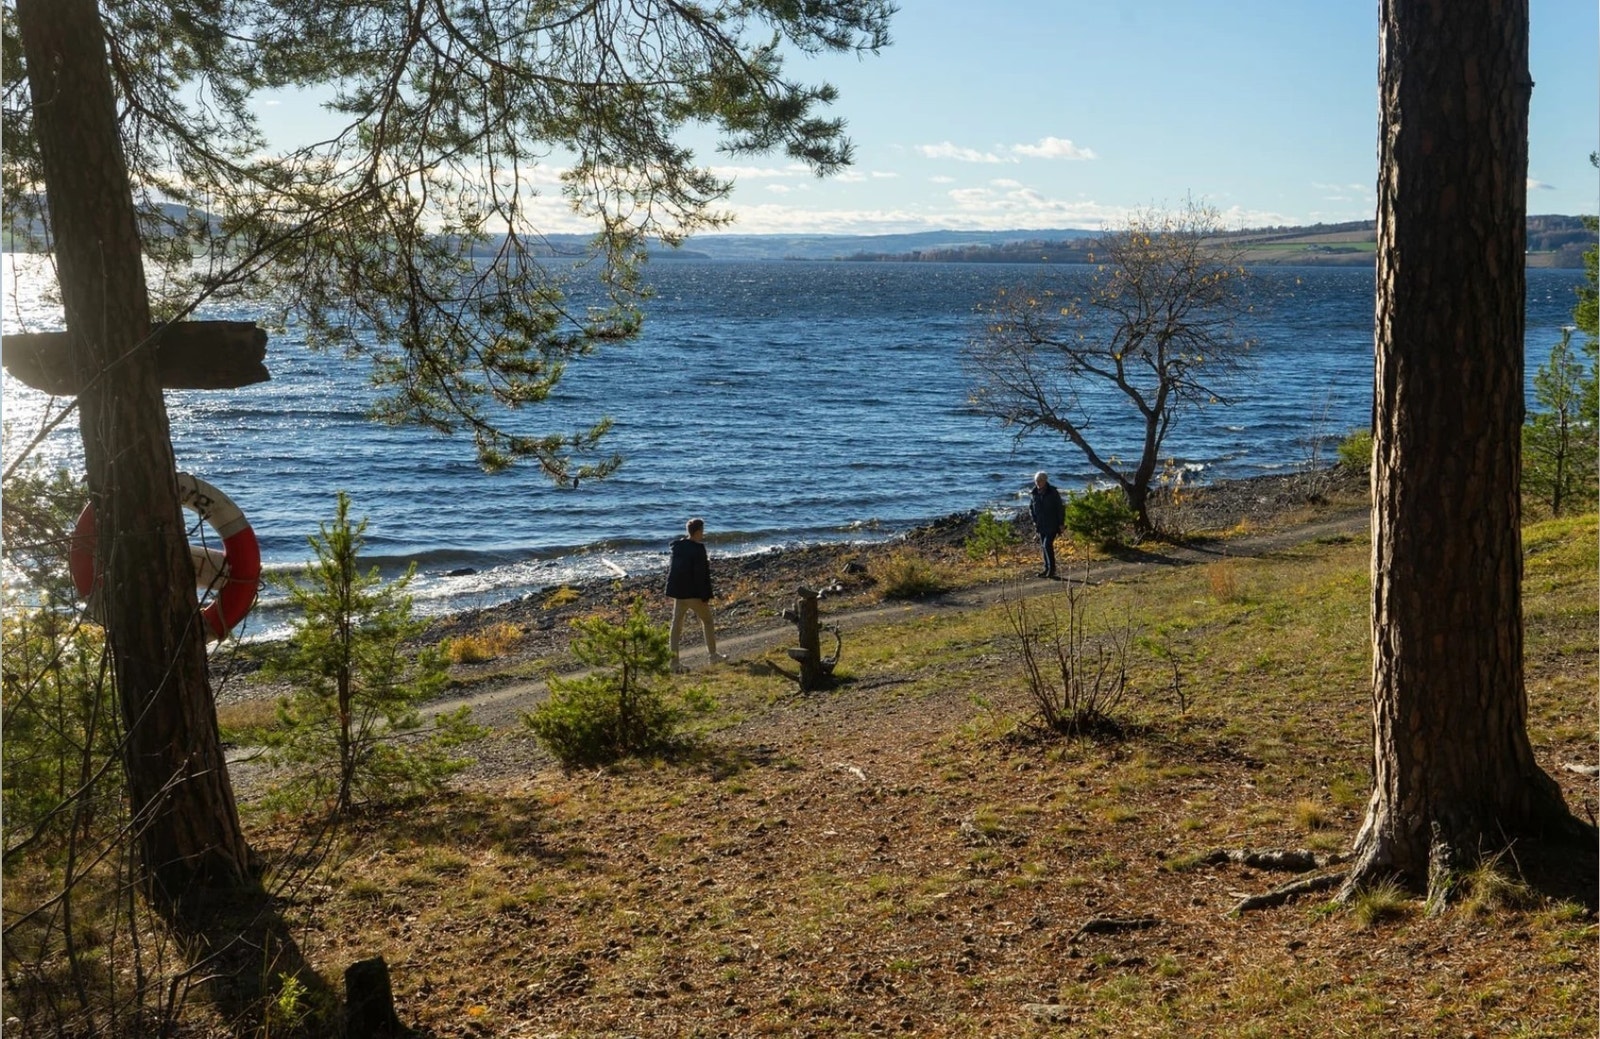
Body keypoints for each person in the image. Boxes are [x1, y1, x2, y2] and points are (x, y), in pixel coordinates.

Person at [665, 517, 728, 670]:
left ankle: (674, 663)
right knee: (707, 621)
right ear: (698, 532)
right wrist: (705, 595)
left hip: (679, 593)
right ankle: (713, 656)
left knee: (676, 626)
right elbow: (701, 575)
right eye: (702, 531)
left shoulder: (678, 547)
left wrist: (671, 591)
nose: (703, 534)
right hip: (693, 594)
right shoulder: (698, 549)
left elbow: (674, 571)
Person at [1029, 471, 1065, 578]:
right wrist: (1034, 520)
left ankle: (1052, 569)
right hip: (1041, 524)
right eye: (1036, 481)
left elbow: (1060, 508)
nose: (1037, 483)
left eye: (1039, 481)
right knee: (1043, 546)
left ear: (1045, 481)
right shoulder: (1034, 493)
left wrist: (1061, 523)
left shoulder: (1052, 492)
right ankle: (1046, 568)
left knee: (1047, 545)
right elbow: (1031, 508)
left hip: (1052, 523)